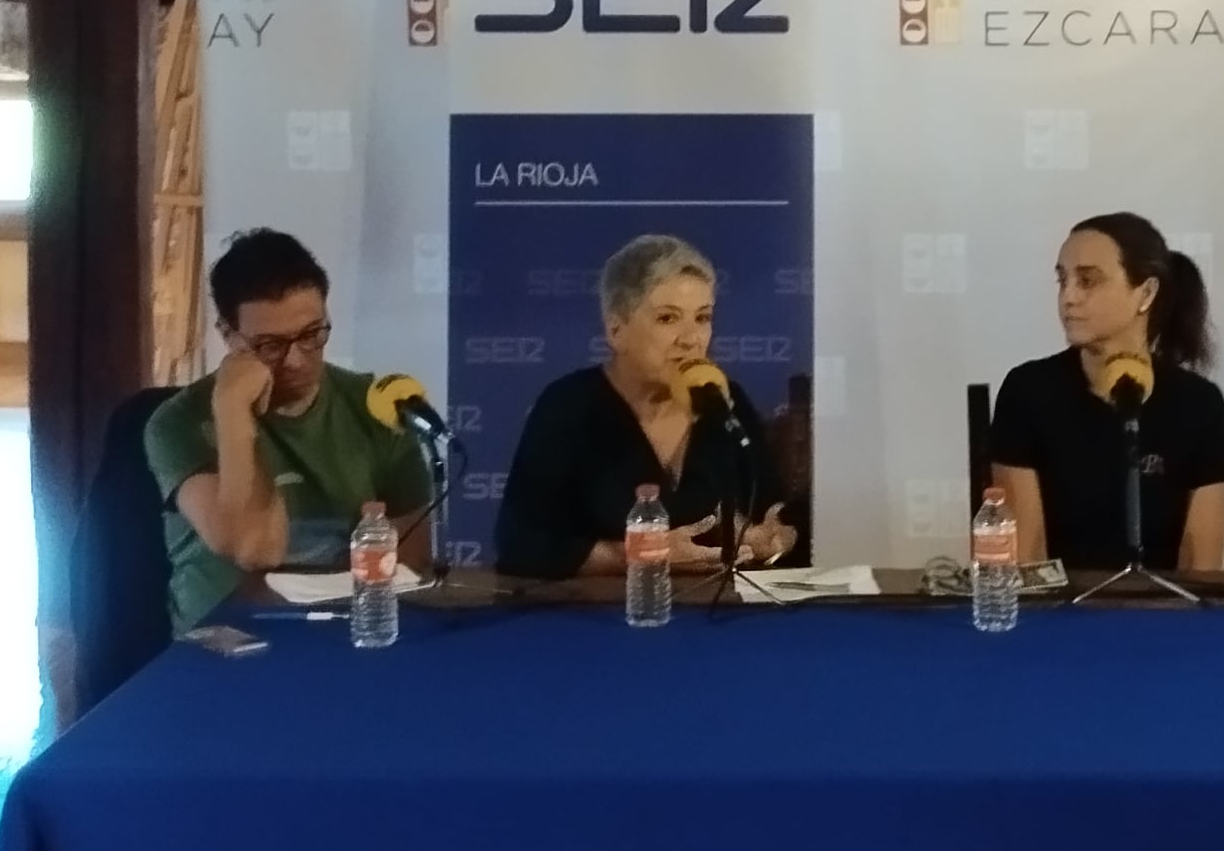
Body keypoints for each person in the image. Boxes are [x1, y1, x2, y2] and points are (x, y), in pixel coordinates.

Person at [143, 227, 439, 635]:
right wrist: (232, 411)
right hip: (224, 648)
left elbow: (408, 567)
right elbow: (255, 548)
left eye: (312, 334)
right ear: (229, 336)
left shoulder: (377, 406)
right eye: (270, 345)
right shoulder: (179, 423)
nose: (297, 360)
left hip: (345, 637)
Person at [492, 233, 799, 581]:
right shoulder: (567, 408)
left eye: (702, 318)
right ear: (616, 330)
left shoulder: (722, 398)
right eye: (668, 319)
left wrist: (773, 539)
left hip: (717, 616)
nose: (691, 338)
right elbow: (518, 544)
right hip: (603, 619)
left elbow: (773, 511)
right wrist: (630, 555)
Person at [985, 213, 1224, 574]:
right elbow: (1027, 556)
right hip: (1057, 618)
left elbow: (1201, 565)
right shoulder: (1028, 391)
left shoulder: (1200, 406)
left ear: (1146, 293)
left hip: (1162, 619)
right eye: (1062, 280)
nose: (1068, 297)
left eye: (1087, 281)